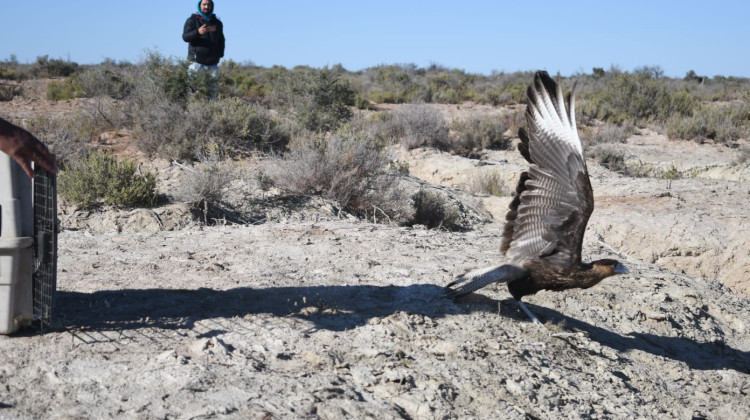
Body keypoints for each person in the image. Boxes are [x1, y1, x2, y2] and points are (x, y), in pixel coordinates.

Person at [182, 0, 225, 98]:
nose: (206, 7)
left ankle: (211, 112)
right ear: (199, 5)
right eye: (204, 4)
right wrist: (197, 32)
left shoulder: (217, 23)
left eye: (209, 4)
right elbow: (185, 37)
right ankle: (194, 112)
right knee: (194, 92)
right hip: (196, 63)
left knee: (212, 93)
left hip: (213, 64)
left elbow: (221, 39)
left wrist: (220, 54)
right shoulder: (192, 20)